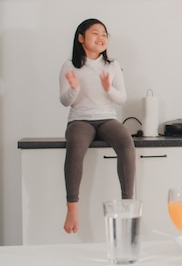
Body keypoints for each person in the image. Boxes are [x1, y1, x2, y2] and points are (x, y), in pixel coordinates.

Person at [59, 18, 136, 234]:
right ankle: (72, 207)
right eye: (95, 33)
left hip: (106, 118)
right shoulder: (70, 65)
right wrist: (74, 88)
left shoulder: (112, 65)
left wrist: (108, 89)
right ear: (81, 38)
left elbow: (121, 98)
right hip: (80, 119)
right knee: (75, 145)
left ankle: (127, 205)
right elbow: (65, 101)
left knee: (125, 142)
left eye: (104, 34)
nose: (101, 37)